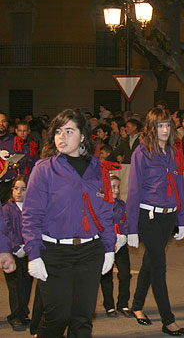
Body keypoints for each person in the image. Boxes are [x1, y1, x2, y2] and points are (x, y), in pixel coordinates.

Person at [21, 109, 117, 337]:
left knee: (82, 319)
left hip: (89, 252)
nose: (61, 137)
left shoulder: (98, 168)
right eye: (57, 131)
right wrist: (34, 254)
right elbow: (31, 214)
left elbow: (105, 210)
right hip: (54, 253)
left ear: (83, 136)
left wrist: (109, 248)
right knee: (57, 316)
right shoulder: (44, 169)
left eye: (69, 131)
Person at [126, 108, 184, 336]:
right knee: (159, 266)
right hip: (148, 216)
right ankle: (168, 320)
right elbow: (133, 191)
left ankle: (137, 305)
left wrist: (181, 220)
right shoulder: (141, 153)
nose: (164, 130)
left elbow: (180, 187)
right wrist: (131, 227)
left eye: (168, 125)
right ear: (151, 128)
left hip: (168, 216)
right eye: (160, 125)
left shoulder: (173, 152)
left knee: (151, 262)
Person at [100, 174, 132, 318]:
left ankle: (123, 303)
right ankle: (109, 305)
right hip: (106, 245)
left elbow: (126, 221)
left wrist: (124, 236)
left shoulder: (122, 205)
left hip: (121, 243)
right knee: (106, 276)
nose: (116, 190)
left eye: (118, 187)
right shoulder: (100, 205)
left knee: (125, 274)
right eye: (113, 187)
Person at [2, 175, 32, 331]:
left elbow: (32, 228)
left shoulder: (30, 208)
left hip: (27, 252)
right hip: (12, 254)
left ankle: (23, 313)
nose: (18, 192)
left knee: (26, 284)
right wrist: (15, 247)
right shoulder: (6, 209)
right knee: (15, 286)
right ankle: (14, 316)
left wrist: (28, 246)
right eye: (16, 188)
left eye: (23, 189)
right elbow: (6, 231)